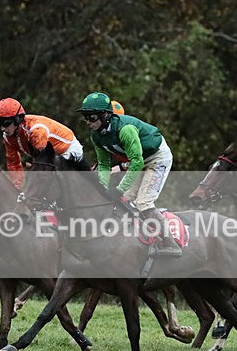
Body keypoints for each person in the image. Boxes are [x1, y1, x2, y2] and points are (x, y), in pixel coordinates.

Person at [77, 91, 181, 257]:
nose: (88, 122)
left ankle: (171, 243)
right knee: (126, 200)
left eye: (92, 117)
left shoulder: (125, 129)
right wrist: (102, 189)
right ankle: (140, 239)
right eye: (85, 117)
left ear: (105, 115)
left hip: (157, 157)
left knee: (144, 203)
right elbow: (104, 164)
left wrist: (119, 189)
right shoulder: (96, 136)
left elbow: (137, 163)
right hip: (139, 160)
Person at [0, 97, 83, 189]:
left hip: (67, 149)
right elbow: (13, 163)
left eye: (6, 123)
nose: (2, 128)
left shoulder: (36, 130)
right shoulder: (7, 137)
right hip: (49, 155)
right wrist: (17, 186)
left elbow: (44, 161)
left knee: (50, 181)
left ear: (18, 119)